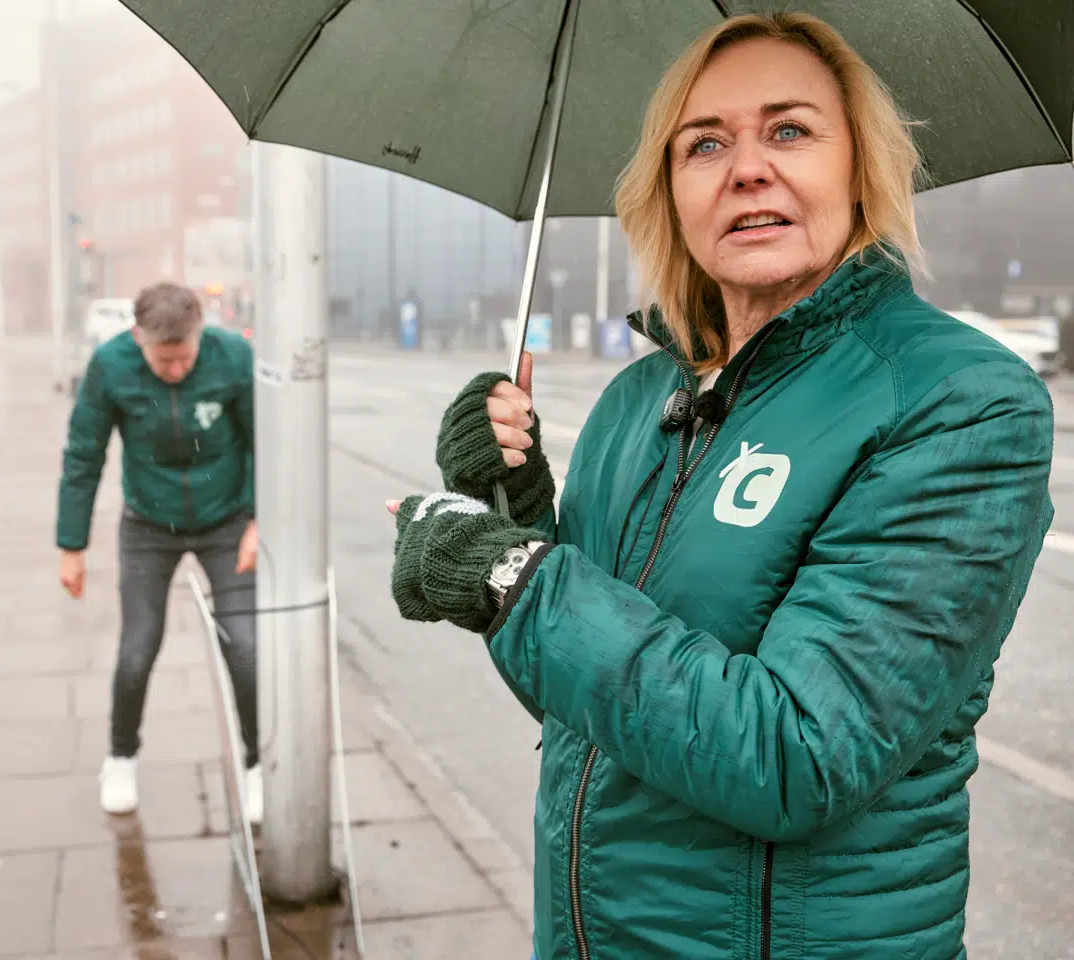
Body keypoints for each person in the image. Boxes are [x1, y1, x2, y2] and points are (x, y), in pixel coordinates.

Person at [386, 13, 1054, 960]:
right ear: (669, 192)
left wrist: (515, 579)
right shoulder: (635, 401)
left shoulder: (960, 402)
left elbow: (798, 758)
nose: (747, 168)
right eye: (705, 144)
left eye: (789, 130)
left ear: (861, 166)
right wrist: (510, 510)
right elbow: (585, 703)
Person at [57, 282, 260, 820]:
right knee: (137, 649)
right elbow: (84, 453)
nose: (175, 370)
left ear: (200, 336)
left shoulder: (232, 358)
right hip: (148, 523)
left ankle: (258, 763)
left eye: (184, 357)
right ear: (137, 338)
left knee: (245, 643)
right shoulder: (111, 366)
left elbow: (266, 440)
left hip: (226, 520)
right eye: (163, 359)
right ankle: (120, 756)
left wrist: (259, 520)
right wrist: (71, 546)